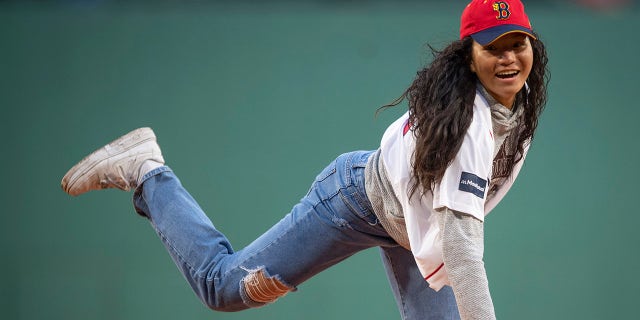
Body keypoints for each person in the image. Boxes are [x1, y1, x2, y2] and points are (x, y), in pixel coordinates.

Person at [61, 0, 548, 319]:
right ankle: (149, 172)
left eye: (517, 44)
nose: (508, 59)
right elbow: (462, 246)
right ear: (470, 56)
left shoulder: (517, 106)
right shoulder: (470, 125)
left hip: (416, 225)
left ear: (532, 45)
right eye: (493, 48)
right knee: (223, 288)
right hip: (355, 202)